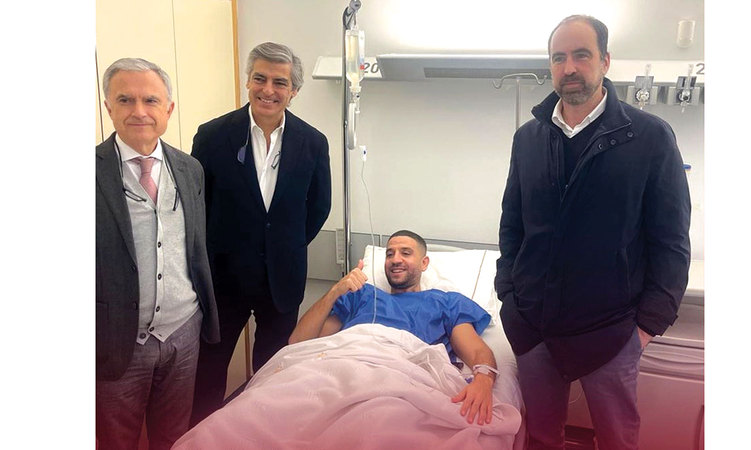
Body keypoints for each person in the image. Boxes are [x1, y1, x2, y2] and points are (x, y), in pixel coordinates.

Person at [495, 15, 691, 450]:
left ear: (605, 61)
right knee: (541, 438)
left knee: (617, 439)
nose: (569, 67)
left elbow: (671, 241)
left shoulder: (649, 138)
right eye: (558, 58)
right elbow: (512, 225)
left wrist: (646, 327)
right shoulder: (528, 138)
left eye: (581, 55)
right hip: (534, 327)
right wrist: (509, 295)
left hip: (612, 332)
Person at [190, 42, 332, 425]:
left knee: (273, 373)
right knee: (208, 372)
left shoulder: (312, 143)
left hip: (282, 280)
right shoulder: (212, 136)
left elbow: (319, 207)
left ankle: (263, 435)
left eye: (279, 82)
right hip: (223, 280)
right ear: (248, 81)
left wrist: (283, 245)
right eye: (260, 79)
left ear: (294, 90)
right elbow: (198, 205)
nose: (268, 90)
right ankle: (200, 438)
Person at [96, 57, 220, 450]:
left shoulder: (190, 169)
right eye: (125, 100)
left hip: (183, 332)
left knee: (174, 435)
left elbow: (196, 246)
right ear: (108, 107)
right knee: (116, 439)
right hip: (116, 338)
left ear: (168, 108)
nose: (139, 111)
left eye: (150, 100)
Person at [290, 230, 499, 426]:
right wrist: (335, 291)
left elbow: (476, 350)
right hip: (342, 374)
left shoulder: (445, 302)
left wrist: (484, 380)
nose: (396, 259)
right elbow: (298, 342)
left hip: (405, 382)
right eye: (390, 254)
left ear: (424, 263)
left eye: (405, 253)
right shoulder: (361, 296)